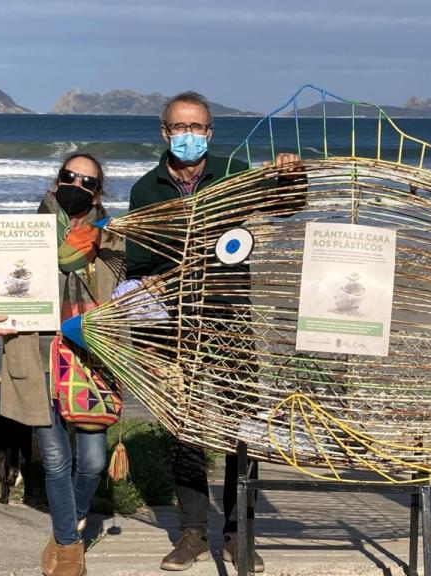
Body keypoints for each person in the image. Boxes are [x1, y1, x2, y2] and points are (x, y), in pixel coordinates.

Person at [126, 91, 303, 573]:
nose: (189, 135)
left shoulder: (233, 172)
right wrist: (147, 305)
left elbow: (285, 205)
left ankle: (238, 532)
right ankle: (192, 532)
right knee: (185, 428)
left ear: (210, 132)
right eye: (180, 127)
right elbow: (138, 263)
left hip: (231, 317)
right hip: (176, 322)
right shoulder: (145, 190)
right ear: (165, 132)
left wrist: (291, 175)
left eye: (197, 127)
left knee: (240, 425)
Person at [0, 153, 124, 576]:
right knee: (54, 459)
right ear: (56, 182)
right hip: (36, 357)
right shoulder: (24, 232)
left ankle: (71, 521)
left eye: (88, 182)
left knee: (93, 462)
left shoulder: (111, 237)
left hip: (89, 358)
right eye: (70, 176)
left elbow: (128, 289)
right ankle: (69, 546)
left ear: (98, 193)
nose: (77, 186)